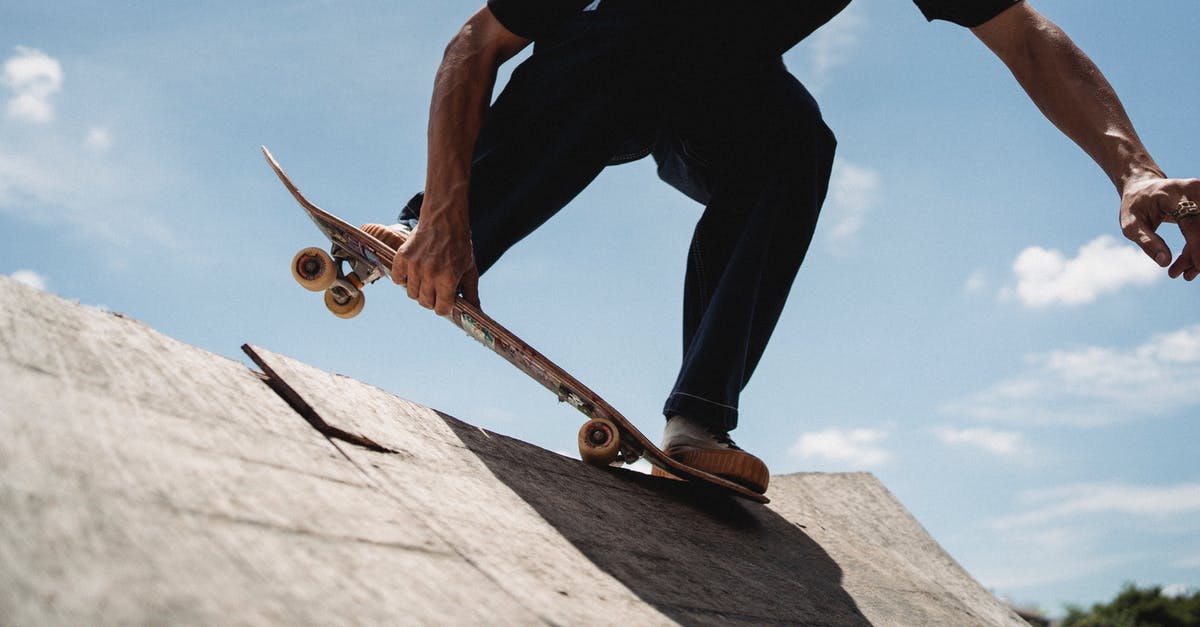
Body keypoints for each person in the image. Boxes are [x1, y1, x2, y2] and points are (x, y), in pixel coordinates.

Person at [363, 0, 1200, 495]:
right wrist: (442, 214)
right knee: (621, 45)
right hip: (597, 70)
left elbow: (1022, 35)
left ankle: (697, 420)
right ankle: (419, 230)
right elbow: (475, 44)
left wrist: (1134, 171)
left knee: (794, 144)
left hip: (714, 105)